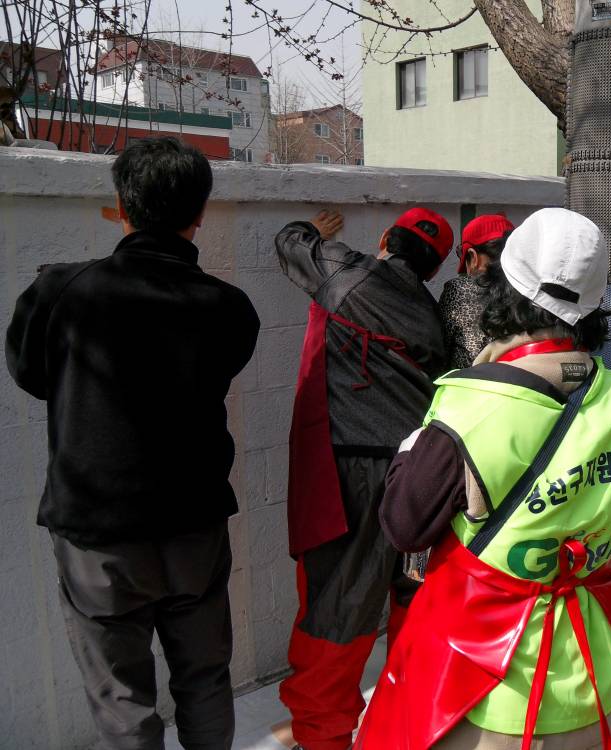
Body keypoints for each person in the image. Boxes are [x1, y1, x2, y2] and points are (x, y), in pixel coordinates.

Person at [354, 208, 611, 749]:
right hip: (603, 678)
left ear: (502, 290)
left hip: (492, 698)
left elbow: (403, 527)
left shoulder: (470, 407)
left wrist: (411, 450)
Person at [5, 137, 260, 749]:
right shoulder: (229, 308)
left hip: (97, 532)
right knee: (204, 680)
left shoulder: (60, 293)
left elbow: (33, 376)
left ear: (120, 206)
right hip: (192, 526)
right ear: (199, 213)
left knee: (122, 701)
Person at [274, 206, 453, 749]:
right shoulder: (434, 317)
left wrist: (318, 230)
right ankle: (404, 726)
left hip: (351, 474)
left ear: (384, 239)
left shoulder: (346, 272)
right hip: (420, 475)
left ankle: (324, 737)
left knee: (338, 608)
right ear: (433, 269)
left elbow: (288, 242)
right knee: (413, 604)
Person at [438, 213, 514, 368]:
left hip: (469, 385)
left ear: (473, 256)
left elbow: (440, 347)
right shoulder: (527, 289)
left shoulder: (459, 289)